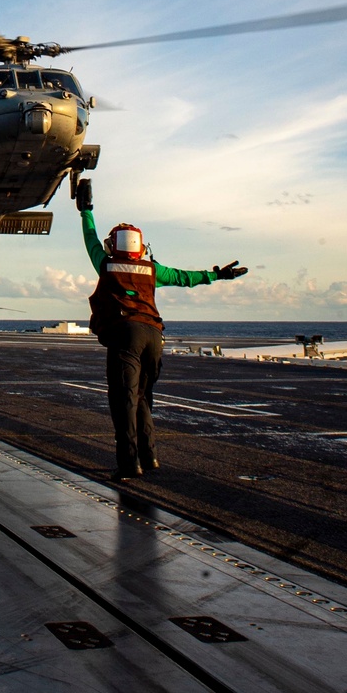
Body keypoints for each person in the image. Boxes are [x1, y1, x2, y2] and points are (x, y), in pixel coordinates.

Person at [76, 179, 247, 481]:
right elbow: (185, 277)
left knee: (123, 399)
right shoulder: (152, 270)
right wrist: (218, 275)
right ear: (140, 247)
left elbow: (89, 237)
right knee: (143, 396)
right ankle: (150, 456)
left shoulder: (106, 264)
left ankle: (129, 464)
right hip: (154, 335)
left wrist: (86, 210)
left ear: (112, 245)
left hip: (125, 334)